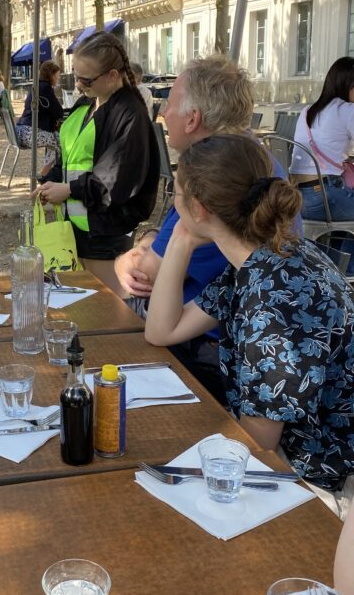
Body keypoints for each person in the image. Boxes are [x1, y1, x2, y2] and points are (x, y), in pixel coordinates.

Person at [145, 133, 354, 517]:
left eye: (175, 196)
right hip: (298, 461)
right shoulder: (269, 257)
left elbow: (258, 443)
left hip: (321, 484)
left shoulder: (273, 302)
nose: (173, 209)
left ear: (199, 207)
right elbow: (161, 331)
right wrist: (180, 239)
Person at [113, 55, 263, 401]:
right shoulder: (242, 161)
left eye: (169, 102)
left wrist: (147, 248)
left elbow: (144, 274)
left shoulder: (219, 180)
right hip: (198, 331)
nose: (162, 112)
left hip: (213, 354)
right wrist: (154, 238)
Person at [37, 33, 159, 296]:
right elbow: (70, 155)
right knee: (82, 307)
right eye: (75, 76)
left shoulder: (130, 114)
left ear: (113, 75)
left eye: (86, 79)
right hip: (78, 228)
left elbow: (115, 180)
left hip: (105, 231)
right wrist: (49, 183)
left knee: (107, 310)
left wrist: (68, 190)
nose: (79, 85)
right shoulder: (89, 103)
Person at [290, 56, 354, 225]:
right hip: (324, 196)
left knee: (345, 225)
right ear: (350, 86)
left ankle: (336, 252)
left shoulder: (307, 111)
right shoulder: (347, 110)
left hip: (296, 198)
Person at [15, 59, 63, 178]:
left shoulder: (36, 86)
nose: (58, 78)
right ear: (51, 75)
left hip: (20, 131)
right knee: (61, 142)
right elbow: (58, 112)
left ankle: (46, 173)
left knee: (54, 138)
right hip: (30, 133)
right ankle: (44, 175)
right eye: (57, 75)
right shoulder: (46, 88)